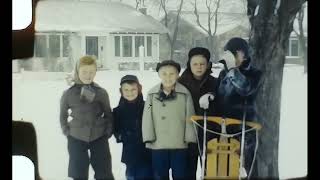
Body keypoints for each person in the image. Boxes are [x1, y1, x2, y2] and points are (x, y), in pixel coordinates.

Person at [200, 37, 263, 177]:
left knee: (248, 169)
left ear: (243, 54)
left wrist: (233, 70)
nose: (232, 57)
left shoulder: (255, 74)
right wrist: (210, 95)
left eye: (234, 53)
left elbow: (246, 89)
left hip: (244, 131)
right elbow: (218, 91)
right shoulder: (224, 73)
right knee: (223, 169)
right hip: (223, 129)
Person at [59, 55, 114, 180]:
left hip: (98, 136)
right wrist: (67, 131)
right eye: (84, 72)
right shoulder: (69, 94)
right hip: (76, 137)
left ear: (95, 73)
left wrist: (107, 132)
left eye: (91, 72)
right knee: (78, 172)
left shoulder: (101, 92)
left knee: (104, 171)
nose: (88, 75)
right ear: (78, 71)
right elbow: (62, 115)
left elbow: (108, 114)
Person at [142, 60, 196, 180]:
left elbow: (190, 117)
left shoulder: (185, 94)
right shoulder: (152, 95)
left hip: (179, 144)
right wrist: (148, 137)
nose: (168, 77)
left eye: (172, 74)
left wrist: (190, 138)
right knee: (160, 175)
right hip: (158, 144)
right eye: (164, 74)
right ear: (159, 75)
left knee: (180, 175)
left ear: (177, 75)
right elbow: (147, 115)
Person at [178, 47, 219, 180]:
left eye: (202, 64)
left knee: (210, 172)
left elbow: (222, 102)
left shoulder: (215, 82)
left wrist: (212, 95)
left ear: (208, 65)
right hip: (187, 134)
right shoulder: (180, 83)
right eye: (195, 64)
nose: (199, 67)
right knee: (187, 172)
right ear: (189, 64)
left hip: (210, 133)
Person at [113, 75, 153, 180]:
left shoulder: (148, 106)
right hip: (130, 153)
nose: (130, 93)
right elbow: (115, 130)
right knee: (131, 176)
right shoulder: (117, 111)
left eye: (133, 89)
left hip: (147, 152)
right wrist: (122, 136)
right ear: (121, 91)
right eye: (126, 90)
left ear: (139, 89)